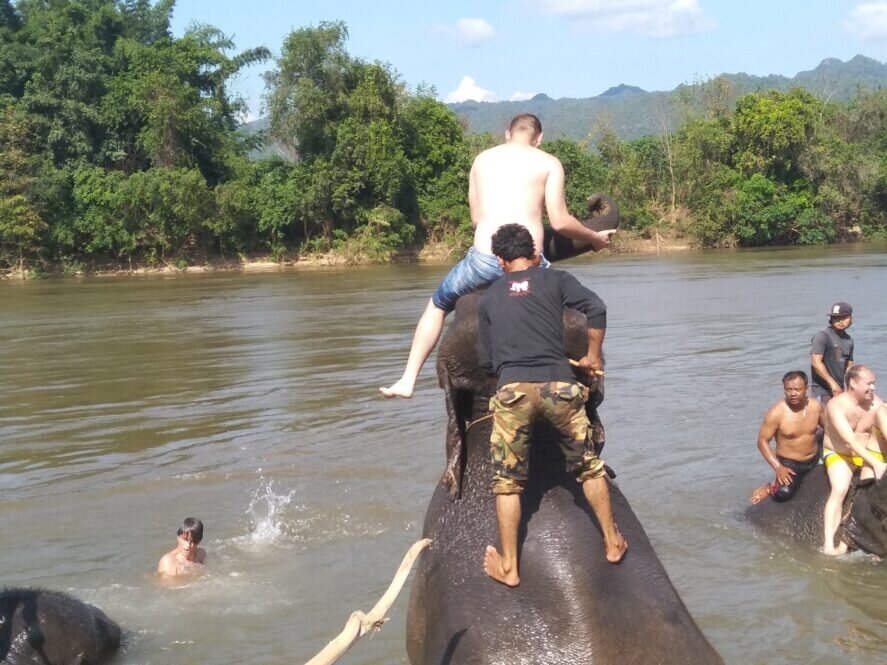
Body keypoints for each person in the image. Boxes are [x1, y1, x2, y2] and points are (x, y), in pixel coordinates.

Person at [380, 113, 616, 399]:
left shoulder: (482, 160)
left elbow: (476, 217)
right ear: (539, 139)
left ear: (507, 133)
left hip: (482, 260)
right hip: (530, 261)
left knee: (437, 306)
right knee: (571, 303)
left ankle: (407, 380)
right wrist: (593, 237)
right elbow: (560, 222)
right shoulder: (549, 163)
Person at [476, 224, 626, 587]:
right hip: (560, 388)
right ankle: (612, 542)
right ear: (534, 253)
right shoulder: (555, 279)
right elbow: (597, 307)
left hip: (513, 393)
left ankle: (510, 567)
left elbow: (485, 362)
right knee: (589, 468)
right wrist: (590, 356)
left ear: (499, 261)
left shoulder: (489, 297)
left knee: (507, 482)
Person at [820, 365, 887, 555]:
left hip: (865, 454)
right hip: (840, 454)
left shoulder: (876, 404)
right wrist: (875, 464)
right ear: (853, 383)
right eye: (869, 384)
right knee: (840, 488)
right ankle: (828, 544)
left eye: (874, 383)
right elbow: (849, 440)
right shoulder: (836, 406)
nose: (873, 388)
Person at [749, 371, 823, 504]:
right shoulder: (776, 413)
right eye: (789, 390)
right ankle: (769, 487)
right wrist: (778, 467)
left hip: (815, 455)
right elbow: (762, 441)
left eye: (797, 389)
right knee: (783, 494)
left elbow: (829, 428)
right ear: (784, 390)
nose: (793, 393)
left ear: (806, 389)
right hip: (791, 463)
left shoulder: (816, 406)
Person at [810, 302, 854, 405]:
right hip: (822, 390)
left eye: (844, 317)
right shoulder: (822, 336)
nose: (840, 321)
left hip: (840, 389)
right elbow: (816, 363)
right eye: (836, 318)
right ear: (831, 319)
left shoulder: (849, 340)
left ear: (851, 319)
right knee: (825, 419)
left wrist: (850, 386)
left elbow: (849, 364)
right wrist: (832, 384)